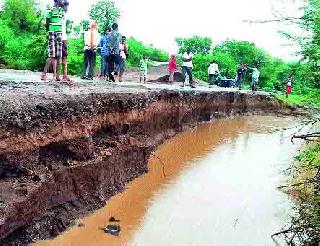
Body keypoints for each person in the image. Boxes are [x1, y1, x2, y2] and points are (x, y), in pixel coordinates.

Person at [41, 0, 64, 81]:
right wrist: (49, 29)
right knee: (52, 55)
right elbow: (47, 22)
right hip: (52, 33)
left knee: (59, 55)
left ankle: (57, 75)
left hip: (59, 33)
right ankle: (44, 74)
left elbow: (61, 21)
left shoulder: (61, 10)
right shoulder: (51, 10)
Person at [60, 0, 73, 84]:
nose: (67, 8)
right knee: (58, 57)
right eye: (66, 6)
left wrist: (70, 26)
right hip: (60, 38)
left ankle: (64, 74)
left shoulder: (64, 14)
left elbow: (66, 29)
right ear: (63, 6)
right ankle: (59, 75)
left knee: (64, 56)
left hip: (64, 37)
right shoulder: (60, 14)